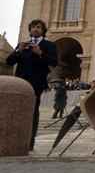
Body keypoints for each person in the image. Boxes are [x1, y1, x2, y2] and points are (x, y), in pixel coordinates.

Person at [6, 19, 57, 151]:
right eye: (33, 27)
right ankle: (15, 138)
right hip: (20, 84)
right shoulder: (23, 45)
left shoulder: (49, 45)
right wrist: (18, 51)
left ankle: (29, 142)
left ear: (43, 31)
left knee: (33, 111)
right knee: (17, 111)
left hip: (37, 84)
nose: (35, 29)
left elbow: (53, 62)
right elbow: (9, 62)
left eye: (39, 27)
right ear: (30, 30)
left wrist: (40, 53)